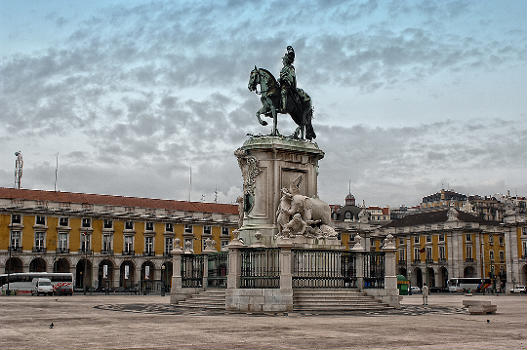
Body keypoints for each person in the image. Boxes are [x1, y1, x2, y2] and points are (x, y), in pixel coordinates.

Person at [279, 46, 296, 112]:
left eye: (284, 60)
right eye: (283, 60)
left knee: (283, 92)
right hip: (282, 83)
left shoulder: (290, 68)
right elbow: (281, 77)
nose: (283, 61)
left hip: (288, 83)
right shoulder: (283, 69)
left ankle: (284, 108)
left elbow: (292, 77)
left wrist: (290, 51)